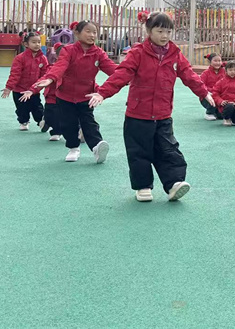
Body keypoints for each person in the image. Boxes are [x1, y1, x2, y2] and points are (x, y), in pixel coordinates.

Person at [88, 12, 213, 202]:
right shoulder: (138, 53)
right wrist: (102, 92)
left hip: (163, 114)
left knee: (169, 149)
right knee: (139, 152)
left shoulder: (175, 54)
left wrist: (203, 92)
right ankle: (143, 187)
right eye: (160, 31)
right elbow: (121, 74)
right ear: (149, 30)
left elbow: (189, 75)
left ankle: (174, 183)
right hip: (138, 114)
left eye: (168, 31)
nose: (165, 36)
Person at [33, 20, 117, 164]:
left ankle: (97, 147)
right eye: (88, 31)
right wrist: (51, 79)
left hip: (86, 95)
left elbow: (113, 69)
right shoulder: (68, 50)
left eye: (94, 32)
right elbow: (60, 66)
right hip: (65, 96)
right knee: (68, 124)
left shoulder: (98, 53)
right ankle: (73, 148)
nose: (92, 35)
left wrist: (128, 76)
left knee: (89, 123)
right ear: (77, 33)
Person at [1, 30, 47, 131]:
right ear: (26, 44)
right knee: (22, 108)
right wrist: (9, 87)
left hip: (33, 90)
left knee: (37, 107)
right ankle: (24, 121)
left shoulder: (43, 59)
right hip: (20, 90)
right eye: (34, 42)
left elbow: (44, 75)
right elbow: (15, 74)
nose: (37, 44)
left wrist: (39, 86)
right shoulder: (20, 58)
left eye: (39, 42)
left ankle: (41, 122)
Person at [42, 43, 66, 141]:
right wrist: (32, 89)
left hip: (65, 97)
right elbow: (44, 78)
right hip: (51, 97)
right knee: (50, 115)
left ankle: (57, 132)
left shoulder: (74, 69)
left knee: (68, 116)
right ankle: (47, 122)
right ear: (56, 56)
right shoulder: (51, 68)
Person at [213, 60, 235, 127]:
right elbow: (215, 94)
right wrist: (220, 101)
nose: (233, 72)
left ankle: (232, 118)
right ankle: (226, 118)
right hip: (224, 106)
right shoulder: (220, 82)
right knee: (229, 106)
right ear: (226, 71)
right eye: (230, 70)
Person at [200, 53, 225, 120]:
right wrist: (212, 92)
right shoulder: (205, 73)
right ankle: (209, 113)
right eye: (215, 61)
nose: (218, 63)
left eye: (219, 61)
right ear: (210, 62)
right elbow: (201, 86)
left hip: (221, 96)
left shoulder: (225, 72)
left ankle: (217, 112)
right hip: (208, 96)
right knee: (213, 97)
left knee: (221, 116)